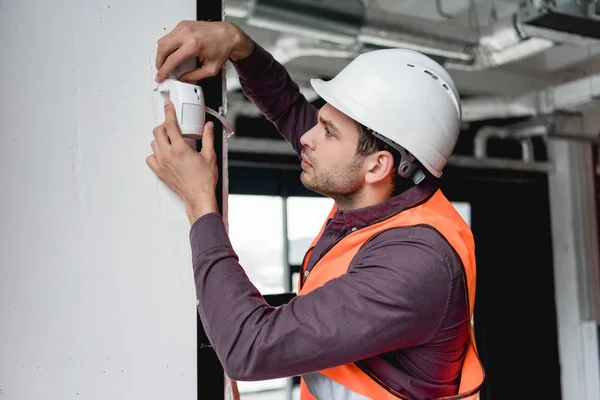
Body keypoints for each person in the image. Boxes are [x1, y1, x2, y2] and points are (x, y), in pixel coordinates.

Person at [147, 20, 485, 400]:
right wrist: (240, 45)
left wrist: (200, 203)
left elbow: (251, 348)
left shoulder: (414, 263)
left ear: (378, 166)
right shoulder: (378, 196)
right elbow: (290, 109)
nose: (307, 136)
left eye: (328, 131)